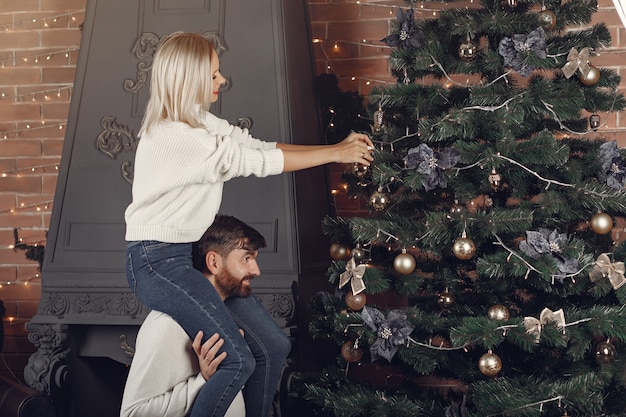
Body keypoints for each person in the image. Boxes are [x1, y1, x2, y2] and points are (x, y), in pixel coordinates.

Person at [124, 31, 374, 417]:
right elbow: (257, 164)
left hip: (188, 255)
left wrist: (334, 151)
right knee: (237, 359)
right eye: (213, 75)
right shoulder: (176, 137)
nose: (221, 81)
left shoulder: (200, 125)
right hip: (157, 262)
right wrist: (334, 153)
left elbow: (259, 149)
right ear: (189, 79)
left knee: (272, 345)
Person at [121, 215, 273, 417]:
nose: (256, 270)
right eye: (247, 258)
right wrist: (203, 380)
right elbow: (133, 413)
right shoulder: (166, 325)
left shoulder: (228, 321)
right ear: (213, 262)